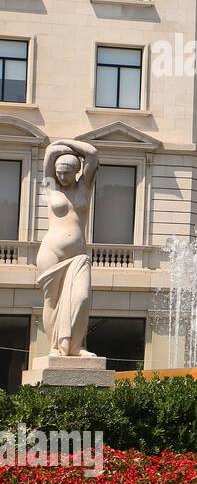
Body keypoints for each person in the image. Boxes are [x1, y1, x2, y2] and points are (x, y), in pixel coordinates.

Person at [37, 139, 99, 358]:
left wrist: (65, 143)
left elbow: (91, 152)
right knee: (51, 301)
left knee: (81, 298)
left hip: (78, 256)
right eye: (59, 173)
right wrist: (57, 149)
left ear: (77, 171)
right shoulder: (50, 187)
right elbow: (49, 152)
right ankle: (55, 348)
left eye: (66, 173)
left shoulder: (85, 187)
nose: (62, 177)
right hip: (51, 252)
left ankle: (76, 346)